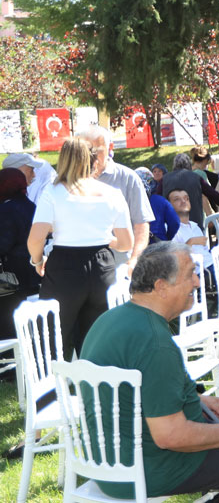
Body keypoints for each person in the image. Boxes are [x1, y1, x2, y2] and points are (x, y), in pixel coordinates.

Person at [80, 241, 219, 501]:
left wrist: (199, 399)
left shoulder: (110, 319)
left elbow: (135, 389)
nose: (198, 282)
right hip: (147, 469)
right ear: (161, 287)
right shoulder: (155, 342)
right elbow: (172, 436)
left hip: (109, 460)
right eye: (190, 274)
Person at [27, 138, 133, 358]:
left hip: (64, 267)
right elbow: (126, 243)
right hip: (103, 266)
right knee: (97, 341)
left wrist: (37, 261)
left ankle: (55, 391)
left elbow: (35, 239)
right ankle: (97, 390)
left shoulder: (53, 192)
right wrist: (102, 238)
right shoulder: (112, 193)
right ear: (92, 160)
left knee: (54, 339)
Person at [79, 125, 155, 275]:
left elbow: (141, 224)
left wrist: (135, 260)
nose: (91, 155)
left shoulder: (128, 178)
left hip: (119, 267)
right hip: (81, 267)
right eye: (86, 150)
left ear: (110, 147)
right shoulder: (69, 180)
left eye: (97, 150)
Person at [0, 168, 39, 341]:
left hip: (11, 280)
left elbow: (3, 243)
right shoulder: (31, 206)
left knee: (10, 330)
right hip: (33, 272)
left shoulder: (6, 209)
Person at [162, 153, 219, 227]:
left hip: (173, 222)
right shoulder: (196, 177)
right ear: (188, 164)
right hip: (195, 221)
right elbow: (213, 194)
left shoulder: (165, 179)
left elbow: (157, 199)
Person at [167, 189, 213, 276]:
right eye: (177, 199)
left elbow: (205, 251)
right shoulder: (170, 229)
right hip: (201, 272)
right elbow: (174, 260)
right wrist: (190, 242)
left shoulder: (195, 227)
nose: (183, 201)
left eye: (186, 198)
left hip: (214, 264)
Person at [135, 167, 180, 244]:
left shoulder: (127, 202)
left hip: (135, 246)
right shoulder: (161, 201)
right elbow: (175, 222)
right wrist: (167, 238)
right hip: (158, 244)